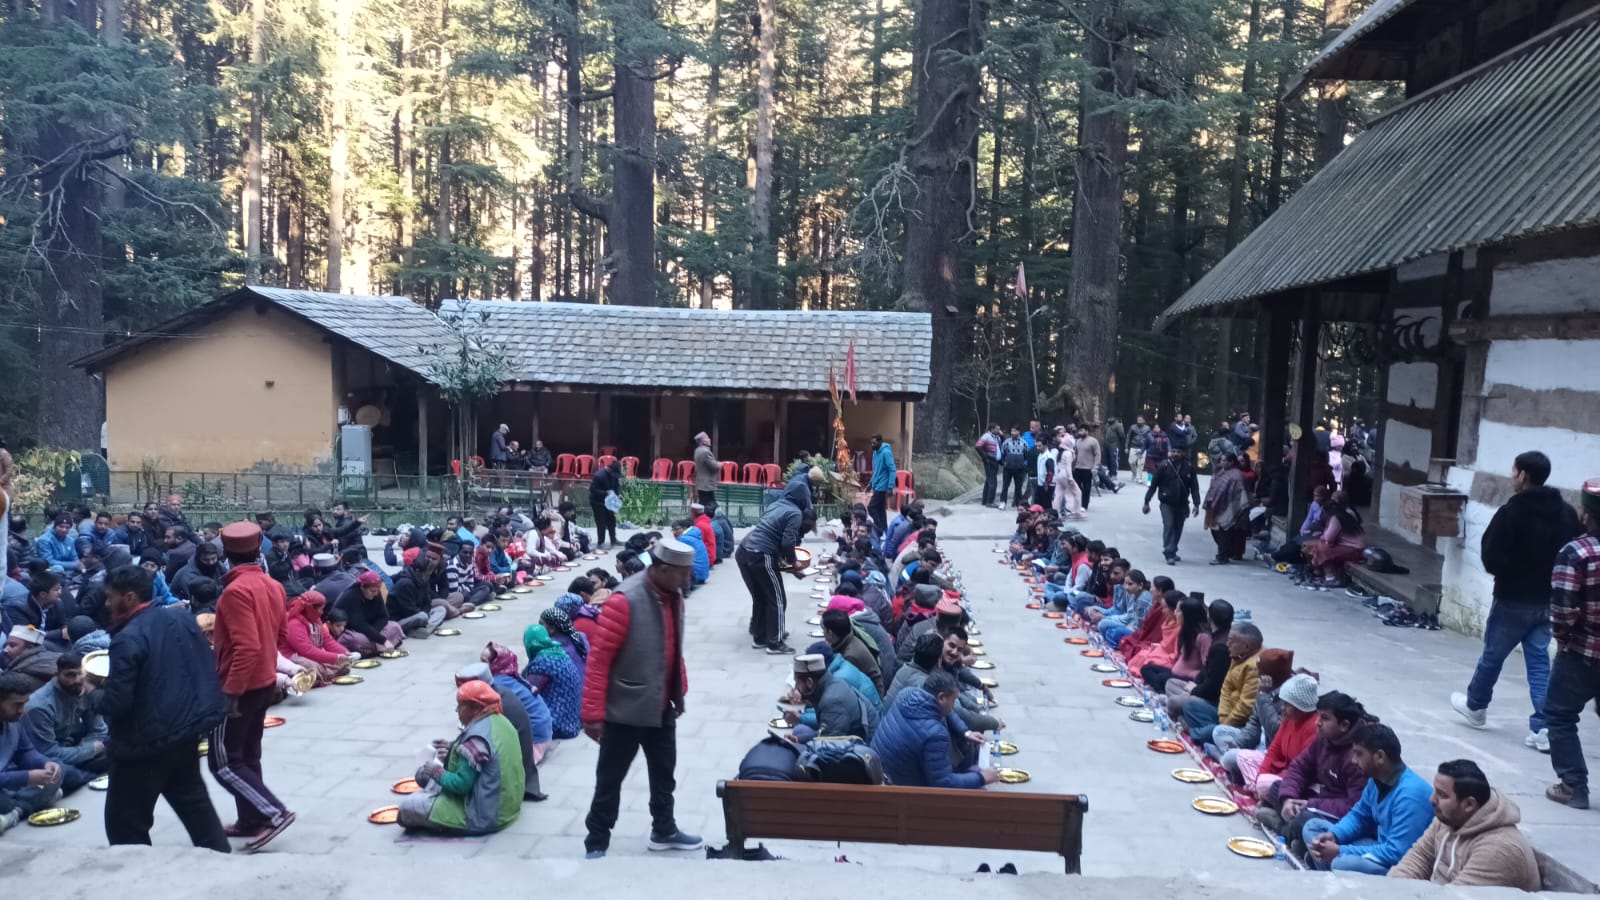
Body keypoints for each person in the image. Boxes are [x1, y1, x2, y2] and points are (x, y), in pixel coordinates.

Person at [90, 565, 231, 851]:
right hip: (186, 731)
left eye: (110, 597)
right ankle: (221, 858)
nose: (106, 604)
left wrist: (91, 693)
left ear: (129, 598)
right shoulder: (180, 618)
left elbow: (117, 703)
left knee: (125, 823)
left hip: (143, 745)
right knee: (195, 804)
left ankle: (134, 880)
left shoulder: (127, 638)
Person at [580, 539, 700, 858]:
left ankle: (664, 829)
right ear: (662, 569)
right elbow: (598, 660)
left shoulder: (674, 596)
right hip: (625, 709)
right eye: (683, 572)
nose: (688, 578)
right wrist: (591, 713)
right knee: (610, 779)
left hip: (661, 706)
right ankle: (597, 841)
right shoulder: (625, 601)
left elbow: (672, 646)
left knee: (664, 774)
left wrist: (680, 687)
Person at [1452, 451, 1579, 753]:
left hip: (1513, 598)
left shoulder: (1512, 512)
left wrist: (1511, 571)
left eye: (1514, 472)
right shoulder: (1567, 513)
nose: (1512, 477)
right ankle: (1544, 726)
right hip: (1548, 599)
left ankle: (1476, 706)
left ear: (1523, 475)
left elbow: (1491, 556)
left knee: (1493, 655)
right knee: (1538, 663)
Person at [209, 522, 295, 849]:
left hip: (239, 687)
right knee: (247, 754)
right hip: (263, 681)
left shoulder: (234, 592)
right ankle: (250, 818)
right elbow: (281, 637)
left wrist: (230, 692)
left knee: (223, 763)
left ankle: (274, 812)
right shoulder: (273, 585)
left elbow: (247, 647)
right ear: (259, 550)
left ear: (225, 555)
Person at [1389, 759, 1541, 889]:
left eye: (1442, 795)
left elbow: (1459, 895)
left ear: (1469, 804)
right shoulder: (1447, 819)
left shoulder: (1499, 849)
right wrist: (1393, 890)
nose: (1432, 799)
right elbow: (1416, 860)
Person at [1303, 724, 1433, 875]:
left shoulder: (1410, 795)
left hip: (1398, 864)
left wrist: (1340, 851)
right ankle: (1327, 870)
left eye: (1359, 754)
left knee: (1342, 863)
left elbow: (1398, 852)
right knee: (1313, 827)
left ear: (1379, 757)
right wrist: (1334, 835)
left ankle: (1328, 871)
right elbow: (1359, 816)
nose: (1353, 760)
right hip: (1379, 847)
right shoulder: (1376, 780)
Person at [399, 680, 525, 834]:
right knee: (421, 775)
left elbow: (461, 785)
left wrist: (436, 771)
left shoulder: (476, 739)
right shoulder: (501, 721)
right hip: (507, 805)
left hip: (485, 816)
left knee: (407, 807)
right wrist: (452, 748)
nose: (456, 710)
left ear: (475, 708)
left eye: (460, 705)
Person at [1544, 476, 1600, 810]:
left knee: (1560, 715)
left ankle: (1573, 785)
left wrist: (1563, 640)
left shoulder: (1577, 552)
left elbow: (1563, 609)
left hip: (1582, 651)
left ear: (1586, 514)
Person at [1261, 691, 1372, 851]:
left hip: (1338, 814)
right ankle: (1297, 837)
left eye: (1325, 718)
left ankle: (1284, 829)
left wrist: (1311, 805)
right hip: (1320, 800)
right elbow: (1299, 768)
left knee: (1304, 819)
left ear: (1344, 725)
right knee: (1277, 788)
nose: (1317, 723)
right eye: (1318, 716)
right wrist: (1289, 798)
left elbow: (1355, 806)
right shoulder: (1323, 739)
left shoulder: (1358, 755)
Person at [872, 671, 997, 789]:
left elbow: (947, 712)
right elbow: (943, 783)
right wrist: (982, 778)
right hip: (901, 790)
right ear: (941, 698)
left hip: (881, 771)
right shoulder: (934, 735)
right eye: (953, 701)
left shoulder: (907, 694)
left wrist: (966, 732)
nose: (953, 706)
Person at [737, 494, 816, 655]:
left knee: (761, 597)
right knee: (778, 600)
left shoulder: (779, 507)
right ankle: (775, 642)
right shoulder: (795, 514)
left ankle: (760, 637)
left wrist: (792, 569)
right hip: (761, 553)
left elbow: (779, 553)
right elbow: (786, 544)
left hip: (747, 552)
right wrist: (795, 564)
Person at [1225, 671, 1320, 800]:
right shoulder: (1289, 719)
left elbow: (1301, 770)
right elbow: (1273, 750)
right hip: (1278, 768)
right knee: (1239, 757)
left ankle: (1260, 790)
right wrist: (1261, 774)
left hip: (1294, 778)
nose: (1282, 708)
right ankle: (1259, 790)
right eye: (1283, 703)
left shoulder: (1313, 727)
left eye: (1287, 705)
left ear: (1300, 706)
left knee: (1265, 784)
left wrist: (1263, 779)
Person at [22, 650, 109, 790]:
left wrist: (86, 748)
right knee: (60, 771)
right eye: (70, 675)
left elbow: (99, 731)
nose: (77, 680)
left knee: (116, 743)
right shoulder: (39, 705)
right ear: (57, 676)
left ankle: (89, 775)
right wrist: (90, 749)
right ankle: (89, 778)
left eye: (81, 674)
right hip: (55, 756)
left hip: (78, 747)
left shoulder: (87, 691)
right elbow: (48, 752)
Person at [0, 671, 64, 829]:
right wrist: (27, 777)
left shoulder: (14, 720)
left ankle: (14, 813)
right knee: (5, 802)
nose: (22, 710)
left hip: (7, 783)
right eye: (16, 705)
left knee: (58, 769)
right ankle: (32, 802)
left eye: (24, 703)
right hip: (6, 782)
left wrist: (44, 763)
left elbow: (25, 751)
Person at [1183, 622, 1262, 745]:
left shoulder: (1254, 667)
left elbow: (1245, 707)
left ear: (1246, 646)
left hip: (1241, 723)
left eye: (1231, 641)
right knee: (1190, 705)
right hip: (1225, 713)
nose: (1227, 644)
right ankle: (1209, 733)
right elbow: (1225, 689)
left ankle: (1195, 733)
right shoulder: (1238, 656)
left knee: (1214, 731)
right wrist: (1223, 717)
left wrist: (1225, 723)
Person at [789, 652, 877, 740]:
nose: (796, 687)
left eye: (797, 682)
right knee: (800, 733)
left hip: (865, 746)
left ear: (809, 682)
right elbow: (828, 731)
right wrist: (799, 739)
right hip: (851, 738)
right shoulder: (833, 683)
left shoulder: (832, 701)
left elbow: (829, 745)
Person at [278, 590, 352, 685]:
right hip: (293, 656)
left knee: (341, 662)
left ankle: (326, 674)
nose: (322, 612)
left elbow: (327, 640)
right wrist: (336, 657)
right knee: (312, 666)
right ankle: (319, 678)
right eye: (320, 609)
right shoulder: (294, 624)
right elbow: (307, 651)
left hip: (310, 653)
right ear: (310, 609)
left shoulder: (316, 620)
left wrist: (345, 652)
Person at [523, 624, 582, 740]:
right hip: (573, 721)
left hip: (559, 726)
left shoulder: (542, 663)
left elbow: (527, 695)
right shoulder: (558, 651)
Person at [1144, 446, 1201, 565]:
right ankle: (1169, 552)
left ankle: (1173, 550)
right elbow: (1154, 485)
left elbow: (1194, 487)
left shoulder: (1189, 468)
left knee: (1178, 528)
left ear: (1183, 453)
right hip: (1166, 503)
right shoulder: (1164, 466)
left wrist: (1196, 504)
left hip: (1182, 503)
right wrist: (1147, 501)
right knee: (1169, 525)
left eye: (1178, 452)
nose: (1175, 454)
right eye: (1173, 451)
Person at [335, 571, 404, 655]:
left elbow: (384, 616)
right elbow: (359, 625)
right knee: (358, 640)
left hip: (371, 629)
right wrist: (382, 640)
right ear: (362, 587)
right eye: (372, 591)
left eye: (377, 591)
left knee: (395, 626)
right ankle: (378, 647)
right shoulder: (352, 597)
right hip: (354, 631)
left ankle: (374, 647)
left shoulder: (376, 593)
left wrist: (375, 634)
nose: (375, 594)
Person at [821, 608, 883, 695]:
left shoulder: (850, 656)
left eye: (823, 629)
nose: (823, 632)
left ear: (830, 633)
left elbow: (838, 688)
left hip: (871, 697)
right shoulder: (847, 639)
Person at [1204, 452, 1250, 564]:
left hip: (1229, 506)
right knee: (1215, 530)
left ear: (1231, 462)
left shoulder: (1236, 475)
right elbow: (1215, 488)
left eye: (1224, 460)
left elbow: (1240, 493)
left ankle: (1222, 556)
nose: (1222, 462)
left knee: (1223, 531)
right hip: (1217, 506)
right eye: (1221, 460)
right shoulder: (1221, 472)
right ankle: (1226, 552)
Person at [590, 458, 623, 549]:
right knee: (601, 522)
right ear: (611, 470)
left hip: (610, 502)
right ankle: (601, 542)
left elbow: (616, 486)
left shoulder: (614, 476)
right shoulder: (599, 476)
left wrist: (617, 496)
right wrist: (605, 493)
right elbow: (592, 489)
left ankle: (613, 539)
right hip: (597, 501)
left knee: (611, 520)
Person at [669, 517, 710, 588]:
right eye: (673, 530)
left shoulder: (683, 539)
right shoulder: (694, 535)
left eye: (677, 529)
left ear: (684, 528)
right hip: (703, 575)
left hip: (695, 576)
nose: (674, 533)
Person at [868, 434, 896, 537]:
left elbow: (892, 470)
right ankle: (886, 530)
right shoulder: (875, 453)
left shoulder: (886, 452)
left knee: (871, 508)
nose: (872, 445)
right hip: (877, 484)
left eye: (874, 443)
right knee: (880, 510)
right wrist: (872, 482)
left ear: (880, 442)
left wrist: (890, 486)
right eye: (871, 443)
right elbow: (876, 470)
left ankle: (879, 528)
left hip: (883, 486)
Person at [996, 427, 1028, 510]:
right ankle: (1003, 502)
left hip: (1019, 468)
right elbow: (1002, 453)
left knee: (1018, 487)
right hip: (1008, 468)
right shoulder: (1006, 442)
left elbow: (1026, 455)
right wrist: (1004, 463)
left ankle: (1019, 503)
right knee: (1005, 486)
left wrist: (1024, 464)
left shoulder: (1024, 443)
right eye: (1012, 431)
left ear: (1019, 432)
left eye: (1015, 431)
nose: (1013, 433)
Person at [692, 431, 720, 509]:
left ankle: (702, 519)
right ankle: (709, 519)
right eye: (707, 438)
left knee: (703, 504)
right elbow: (713, 466)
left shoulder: (697, 450)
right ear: (704, 441)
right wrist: (720, 464)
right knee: (711, 505)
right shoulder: (706, 451)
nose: (709, 439)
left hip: (701, 483)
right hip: (707, 484)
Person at [975, 424, 1002, 507]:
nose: (999, 431)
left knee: (989, 481)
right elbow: (978, 446)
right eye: (997, 429)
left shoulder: (996, 437)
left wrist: (1002, 435)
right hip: (989, 461)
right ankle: (990, 502)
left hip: (995, 461)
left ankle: (985, 500)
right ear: (992, 429)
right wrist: (985, 457)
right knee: (992, 482)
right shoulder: (986, 436)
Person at [1074, 427, 1100, 511]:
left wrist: (1095, 467)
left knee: (1087, 487)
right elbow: (1075, 454)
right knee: (1077, 487)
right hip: (1078, 467)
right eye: (1079, 430)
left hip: (1088, 468)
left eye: (1082, 430)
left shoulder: (1093, 441)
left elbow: (1097, 454)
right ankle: (1079, 503)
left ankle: (1084, 505)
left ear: (1087, 431)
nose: (1080, 432)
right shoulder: (1077, 441)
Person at [1126, 416, 1151, 483]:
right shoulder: (1132, 427)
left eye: (1140, 420)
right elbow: (1128, 437)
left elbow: (1149, 438)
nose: (1139, 421)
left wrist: (1149, 447)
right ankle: (1134, 473)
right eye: (1138, 420)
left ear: (1144, 421)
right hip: (1133, 446)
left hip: (1143, 447)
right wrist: (1126, 447)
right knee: (1131, 461)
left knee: (1141, 463)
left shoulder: (1147, 428)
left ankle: (1139, 477)